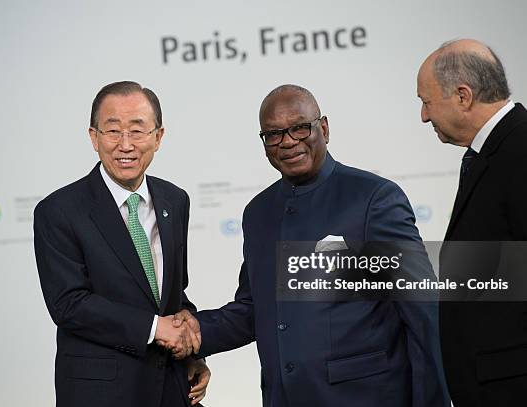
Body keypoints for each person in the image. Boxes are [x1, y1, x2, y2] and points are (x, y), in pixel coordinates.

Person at [174, 84, 447, 406]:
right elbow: (254, 308)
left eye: (300, 128)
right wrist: (192, 333)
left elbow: (420, 306)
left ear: (324, 128)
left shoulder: (373, 198)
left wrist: (432, 401)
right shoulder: (258, 212)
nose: (288, 141)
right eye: (273, 134)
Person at [34, 81, 210, 407]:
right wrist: (157, 328)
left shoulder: (175, 200)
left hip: (170, 385)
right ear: (93, 137)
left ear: (158, 137)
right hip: (101, 392)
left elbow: (171, 294)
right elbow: (69, 304)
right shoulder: (58, 211)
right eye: (113, 131)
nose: (125, 145)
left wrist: (191, 353)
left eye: (137, 131)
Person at [417, 39, 527, 406]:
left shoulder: (520, 149)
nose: (424, 116)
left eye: (426, 101)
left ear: (463, 96)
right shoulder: (491, 151)